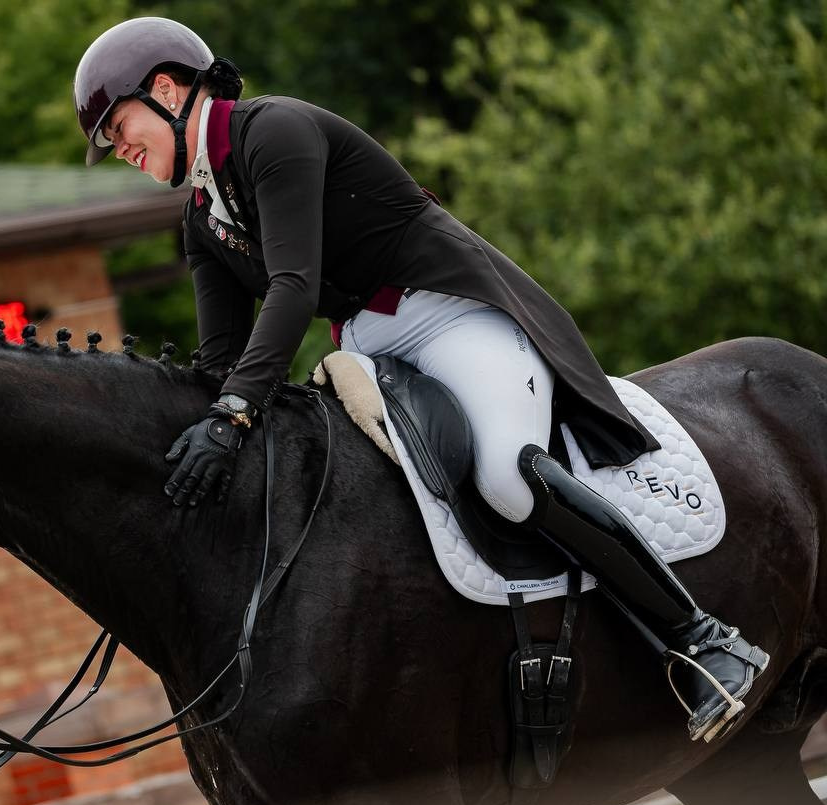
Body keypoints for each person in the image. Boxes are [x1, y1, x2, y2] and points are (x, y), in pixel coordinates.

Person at [73, 17, 768, 742]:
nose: (120, 149)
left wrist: (235, 412)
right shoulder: (202, 217)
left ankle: (703, 637)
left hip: (450, 313)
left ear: (166, 91)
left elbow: (293, 287)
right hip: (367, 346)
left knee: (508, 477)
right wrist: (186, 436)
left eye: (119, 128)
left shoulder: (270, 132)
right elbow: (220, 360)